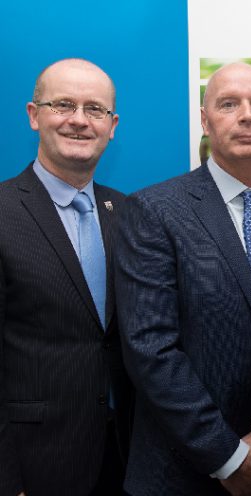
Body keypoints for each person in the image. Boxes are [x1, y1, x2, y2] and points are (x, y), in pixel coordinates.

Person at [115, 62, 251, 495]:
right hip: (183, 472)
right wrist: (228, 457)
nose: (247, 116)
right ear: (205, 121)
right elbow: (150, 349)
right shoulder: (154, 211)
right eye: (229, 104)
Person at [0, 58, 132, 495]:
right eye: (63, 105)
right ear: (33, 115)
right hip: (36, 463)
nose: (79, 120)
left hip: (127, 459)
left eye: (94, 109)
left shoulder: (129, 214)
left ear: (112, 126)